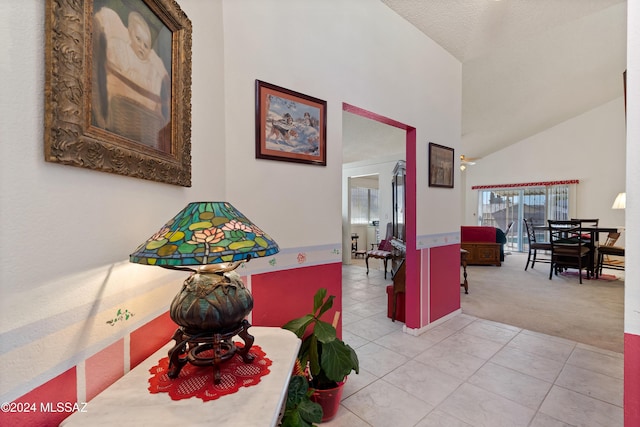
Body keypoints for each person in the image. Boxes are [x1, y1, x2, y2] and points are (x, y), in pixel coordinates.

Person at [92, 7, 171, 150]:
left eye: (146, 45)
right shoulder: (122, 49)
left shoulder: (151, 66)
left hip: (144, 117)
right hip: (119, 108)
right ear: (129, 34)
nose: (141, 46)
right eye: (138, 39)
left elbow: (158, 74)